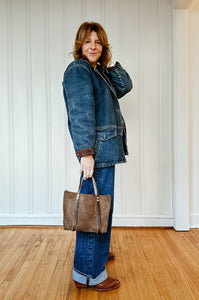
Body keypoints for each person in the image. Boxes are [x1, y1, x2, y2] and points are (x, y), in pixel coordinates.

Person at [63, 21, 132, 292]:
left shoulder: (97, 71)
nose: (93, 46)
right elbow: (80, 114)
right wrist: (86, 154)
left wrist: (107, 64)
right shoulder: (79, 70)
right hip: (97, 152)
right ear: (80, 45)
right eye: (88, 41)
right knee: (94, 213)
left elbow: (124, 86)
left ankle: (96, 256)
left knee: (101, 209)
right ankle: (89, 274)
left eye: (98, 42)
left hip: (105, 150)